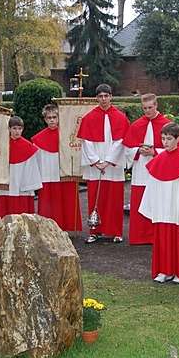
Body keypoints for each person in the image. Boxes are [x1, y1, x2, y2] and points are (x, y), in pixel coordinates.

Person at [139, 122, 179, 284]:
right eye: (163, 139)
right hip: (162, 206)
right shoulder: (159, 159)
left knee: (178, 240)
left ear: (178, 139)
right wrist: (153, 206)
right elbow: (152, 185)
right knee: (162, 239)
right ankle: (164, 270)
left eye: (169, 139)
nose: (165, 142)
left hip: (177, 206)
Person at [77, 83, 130, 243]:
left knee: (114, 198)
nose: (103, 99)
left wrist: (107, 161)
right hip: (96, 166)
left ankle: (115, 231)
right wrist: (96, 161)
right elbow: (86, 141)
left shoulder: (120, 117)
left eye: (106, 96)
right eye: (100, 96)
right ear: (96, 98)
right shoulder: (89, 117)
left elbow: (121, 141)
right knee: (95, 197)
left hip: (112, 165)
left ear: (111, 96)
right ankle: (95, 231)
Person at [123, 93, 170, 245]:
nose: (148, 111)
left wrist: (154, 152)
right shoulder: (136, 125)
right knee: (139, 200)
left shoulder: (166, 125)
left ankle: (156, 235)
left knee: (158, 201)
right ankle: (140, 236)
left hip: (159, 170)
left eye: (150, 107)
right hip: (141, 169)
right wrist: (137, 150)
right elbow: (127, 148)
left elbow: (174, 149)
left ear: (156, 106)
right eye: (145, 108)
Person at [32, 104, 82, 231]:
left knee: (66, 202)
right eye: (49, 118)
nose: (52, 120)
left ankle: (69, 227)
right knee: (49, 205)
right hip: (47, 175)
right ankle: (47, 229)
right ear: (45, 119)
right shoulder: (38, 139)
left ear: (59, 118)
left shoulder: (67, 135)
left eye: (54, 117)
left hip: (64, 173)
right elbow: (36, 161)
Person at [0, 116, 42, 217]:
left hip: (22, 184)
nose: (17, 131)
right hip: (6, 182)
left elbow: (32, 169)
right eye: (14, 128)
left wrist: (27, 184)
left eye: (19, 129)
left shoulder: (29, 147)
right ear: (9, 129)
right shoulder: (2, 145)